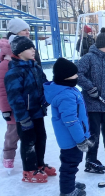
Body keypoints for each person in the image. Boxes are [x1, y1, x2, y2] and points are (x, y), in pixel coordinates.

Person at [5, 36, 56, 182]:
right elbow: (14, 98)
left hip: (38, 111)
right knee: (29, 142)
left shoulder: (36, 67)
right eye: (29, 48)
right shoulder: (14, 72)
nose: (33, 50)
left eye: (33, 47)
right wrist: (23, 117)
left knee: (41, 138)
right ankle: (29, 170)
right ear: (20, 52)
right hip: (25, 116)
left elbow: (45, 84)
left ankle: (39, 165)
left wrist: (46, 98)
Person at [77, 28, 105, 173]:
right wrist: (90, 88)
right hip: (91, 106)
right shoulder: (88, 58)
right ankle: (91, 161)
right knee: (93, 134)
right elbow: (77, 73)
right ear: (101, 45)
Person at [43, 58, 91, 196]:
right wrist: (80, 139)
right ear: (65, 77)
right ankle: (67, 191)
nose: (77, 77)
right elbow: (71, 121)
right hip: (71, 139)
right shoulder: (66, 94)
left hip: (72, 137)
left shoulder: (68, 89)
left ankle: (69, 183)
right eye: (74, 74)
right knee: (70, 165)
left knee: (72, 163)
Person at [0, 36, 19, 175]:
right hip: (12, 107)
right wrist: (5, 109)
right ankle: (8, 158)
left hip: (25, 106)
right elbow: (2, 90)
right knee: (12, 133)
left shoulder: (23, 62)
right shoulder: (5, 65)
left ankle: (31, 159)